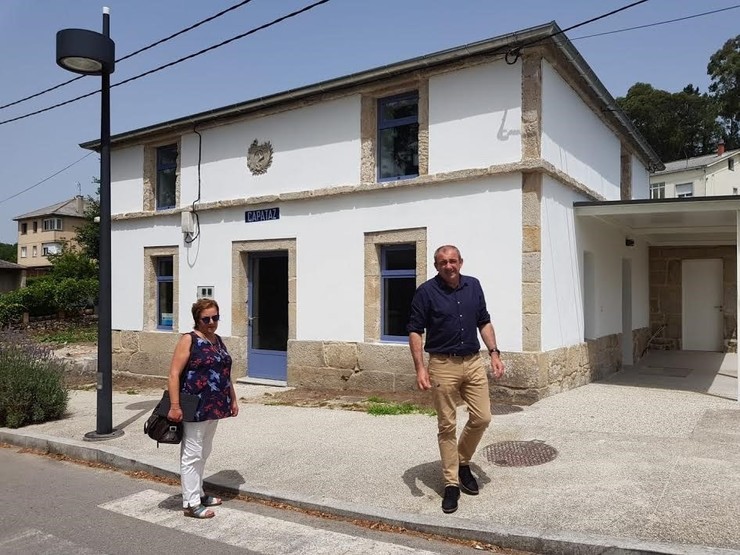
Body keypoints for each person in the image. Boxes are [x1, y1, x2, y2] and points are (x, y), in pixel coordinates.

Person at [407, 245, 505, 514]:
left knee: (482, 417)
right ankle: (451, 484)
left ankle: (462, 461)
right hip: (442, 364)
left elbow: (483, 321)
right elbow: (415, 331)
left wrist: (494, 353)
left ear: (461, 262)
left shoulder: (474, 286)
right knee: (447, 425)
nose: (448, 266)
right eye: (442, 262)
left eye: (452, 261)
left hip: (473, 362)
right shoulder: (426, 292)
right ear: (436, 265)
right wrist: (420, 368)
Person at [167, 298, 239, 519]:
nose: (211, 322)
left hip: (215, 405)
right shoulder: (189, 340)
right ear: (197, 319)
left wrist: (233, 399)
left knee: (204, 451)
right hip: (194, 406)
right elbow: (173, 374)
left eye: (215, 318)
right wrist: (175, 405)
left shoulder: (217, 341)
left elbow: (225, 374)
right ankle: (190, 503)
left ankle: (198, 492)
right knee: (192, 453)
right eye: (206, 319)